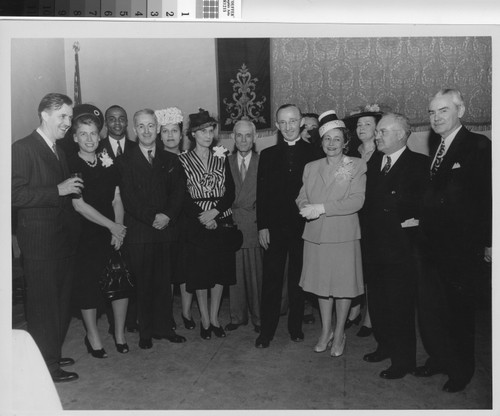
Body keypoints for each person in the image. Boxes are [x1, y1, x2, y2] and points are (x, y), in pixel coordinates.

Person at [416, 89, 492, 393]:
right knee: (435, 309)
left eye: (443, 111)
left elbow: (489, 198)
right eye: (432, 113)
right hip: (433, 248)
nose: (436, 118)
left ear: (460, 111)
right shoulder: (438, 146)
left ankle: (462, 370)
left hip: (462, 248)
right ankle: (440, 358)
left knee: (459, 312)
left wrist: (490, 242)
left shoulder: (478, 145)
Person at [12, 93, 82, 382]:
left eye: (69, 116)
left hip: (60, 241)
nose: (68, 123)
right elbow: (14, 194)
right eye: (63, 116)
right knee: (43, 307)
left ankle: (50, 351)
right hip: (40, 244)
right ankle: (46, 367)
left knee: (59, 302)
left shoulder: (58, 149)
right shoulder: (23, 148)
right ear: (44, 115)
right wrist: (58, 190)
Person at [360, 112, 428, 380]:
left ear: (401, 134)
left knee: (399, 306)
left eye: (382, 131)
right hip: (374, 246)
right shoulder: (375, 160)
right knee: (377, 303)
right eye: (377, 131)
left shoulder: (419, 164)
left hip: (401, 249)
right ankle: (384, 346)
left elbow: (418, 205)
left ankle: (403, 361)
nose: (377, 135)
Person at [296, 110, 366, 356]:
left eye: (337, 139)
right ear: (321, 141)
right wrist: (305, 207)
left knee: (343, 286)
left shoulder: (356, 165)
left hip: (343, 236)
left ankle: (339, 334)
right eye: (327, 138)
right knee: (322, 287)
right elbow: (302, 196)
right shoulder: (311, 167)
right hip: (316, 236)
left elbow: (357, 201)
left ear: (346, 142)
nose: (332, 144)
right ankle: (325, 331)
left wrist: (322, 208)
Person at [118, 108, 186, 349]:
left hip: (166, 230)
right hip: (141, 232)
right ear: (135, 130)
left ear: (157, 128)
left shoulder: (171, 160)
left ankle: (165, 328)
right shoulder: (125, 160)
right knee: (144, 284)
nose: (146, 131)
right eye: (141, 126)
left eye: (150, 126)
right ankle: (145, 332)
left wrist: (167, 215)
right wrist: (152, 217)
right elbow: (129, 197)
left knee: (164, 284)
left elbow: (179, 193)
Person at [67, 104, 129, 357]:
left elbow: (117, 197)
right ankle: (93, 336)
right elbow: (79, 205)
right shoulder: (70, 164)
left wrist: (118, 230)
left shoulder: (108, 161)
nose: (89, 139)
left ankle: (120, 333)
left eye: (93, 133)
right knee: (89, 286)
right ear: (75, 138)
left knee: (120, 282)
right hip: (85, 234)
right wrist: (112, 226)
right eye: (83, 134)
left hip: (112, 231)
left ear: (99, 135)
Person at [255, 104, 315, 348]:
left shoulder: (315, 153)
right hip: (274, 228)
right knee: (271, 279)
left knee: (298, 280)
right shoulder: (268, 155)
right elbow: (262, 193)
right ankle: (266, 330)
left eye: (293, 121)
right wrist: (263, 226)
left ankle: (295, 326)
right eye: (283, 122)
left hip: (304, 227)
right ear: (277, 126)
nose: (289, 126)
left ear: (301, 122)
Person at [178, 109, 236, 340]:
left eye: (211, 130)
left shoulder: (222, 157)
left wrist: (215, 213)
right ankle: (203, 317)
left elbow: (230, 191)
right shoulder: (182, 160)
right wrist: (203, 216)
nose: (207, 135)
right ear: (192, 134)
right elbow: (181, 195)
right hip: (196, 222)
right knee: (200, 274)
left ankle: (214, 318)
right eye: (202, 131)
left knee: (220, 272)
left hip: (221, 219)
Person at [342, 104, 383, 337]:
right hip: (354, 217)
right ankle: (355, 309)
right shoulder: (351, 155)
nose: (362, 128)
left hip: (375, 220)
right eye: (359, 124)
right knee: (355, 266)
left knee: (372, 268)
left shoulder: (383, 153)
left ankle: (370, 317)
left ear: (377, 129)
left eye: (368, 124)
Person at [100, 104, 139, 335]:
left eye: (121, 119)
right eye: (112, 119)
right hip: (108, 219)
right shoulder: (98, 146)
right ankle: (114, 323)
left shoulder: (137, 148)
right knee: (111, 270)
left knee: (132, 268)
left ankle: (132, 319)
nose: (117, 123)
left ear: (127, 123)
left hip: (134, 218)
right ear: (106, 123)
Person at [155, 107, 195, 330]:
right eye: (165, 131)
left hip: (188, 222)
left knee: (186, 269)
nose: (170, 136)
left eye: (174, 131)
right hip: (167, 222)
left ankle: (187, 312)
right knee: (167, 272)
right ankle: (167, 313)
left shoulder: (191, 158)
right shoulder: (156, 161)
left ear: (182, 135)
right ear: (160, 135)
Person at [225, 120, 263, 333]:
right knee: (235, 274)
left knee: (256, 274)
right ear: (233, 137)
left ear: (255, 137)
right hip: (232, 224)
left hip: (254, 223)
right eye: (239, 135)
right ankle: (237, 316)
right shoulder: (225, 161)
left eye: (248, 135)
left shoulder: (263, 161)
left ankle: (259, 317)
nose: (243, 140)